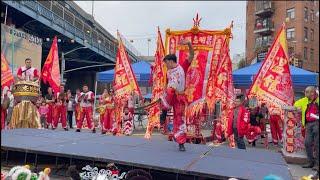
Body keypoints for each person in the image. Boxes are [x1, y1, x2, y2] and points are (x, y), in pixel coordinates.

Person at [159, 39, 194, 151]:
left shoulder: (182, 67)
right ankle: (163, 113)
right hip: (170, 95)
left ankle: (181, 143)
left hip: (179, 97)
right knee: (167, 92)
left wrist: (189, 44)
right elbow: (167, 85)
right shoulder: (168, 72)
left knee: (179, 119)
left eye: (166, 63)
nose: (165, 65)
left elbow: (192, 55)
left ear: (170, 61)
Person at [294, 86, 319, 171]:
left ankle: (317, 164)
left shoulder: (318, 100)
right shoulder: (304, 100)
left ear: (313, 92)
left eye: (307, 92)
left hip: (317, 123)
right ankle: (310, 162)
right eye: (305, 92)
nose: (305, 94)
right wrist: (298, 108)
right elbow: (295, 104)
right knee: (307, 143)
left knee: (317, 144)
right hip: (308, 124)